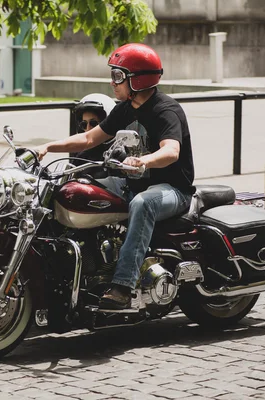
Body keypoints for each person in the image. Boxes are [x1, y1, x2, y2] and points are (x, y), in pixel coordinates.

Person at [36, 43, 195, 310]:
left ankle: (122, 285)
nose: (112, 82)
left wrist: (144, 160)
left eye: (118, 76)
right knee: (79, 187)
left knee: (142, 204)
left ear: (138, 79)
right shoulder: (126, 108)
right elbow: (88, 138)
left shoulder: (165, 110)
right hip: (130, 182)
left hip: (172, 190)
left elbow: (171, 151)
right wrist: (47, 147)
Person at [71, 93, 116, 165]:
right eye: (84, 124)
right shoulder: (82, 155)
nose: (88, 128)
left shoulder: (118, 152)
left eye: (93, 123)